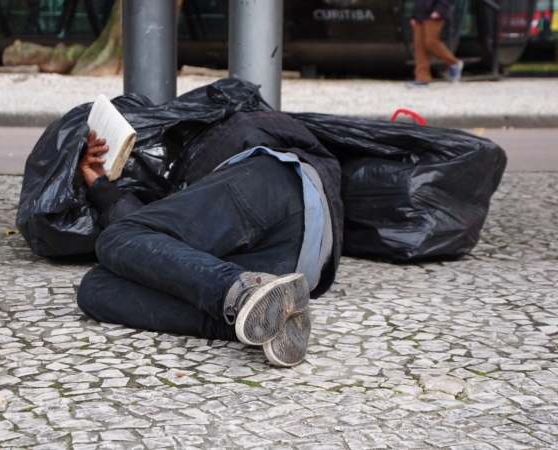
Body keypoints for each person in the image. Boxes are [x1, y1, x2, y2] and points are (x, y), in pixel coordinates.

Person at [75, 111, 343, 367]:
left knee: (117, 236)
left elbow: (135, 234)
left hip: (279, 187)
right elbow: (149, 248)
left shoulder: (199, 144)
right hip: (299, 268)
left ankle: (241, 292)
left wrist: (101, 188)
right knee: (94, 288)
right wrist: (100, 185)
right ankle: (264, 320)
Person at [408, 0, 464, 87]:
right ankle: (422, 78)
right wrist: (414, 15)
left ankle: (453, 63)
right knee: (419, 47)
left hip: (434, 14)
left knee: (431, 42)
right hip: (419, 15)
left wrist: (439, 10)